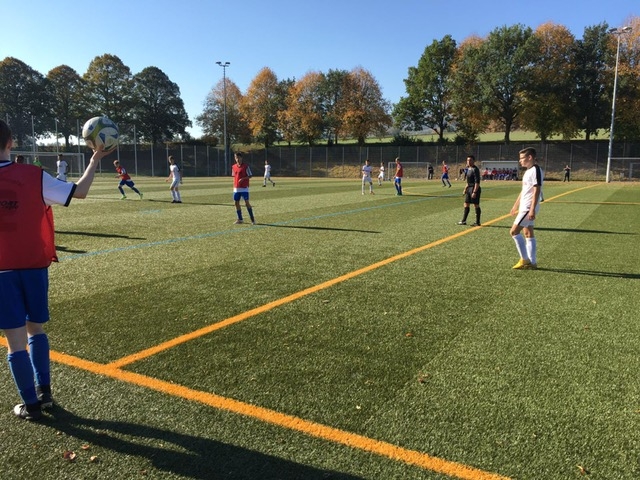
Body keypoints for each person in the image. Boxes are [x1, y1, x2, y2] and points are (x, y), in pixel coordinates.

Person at [0, 119, 113, 420]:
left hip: (1, 271)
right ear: (10, 143)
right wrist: (94, 160)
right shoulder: (34, 175)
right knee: (35, 329)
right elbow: (80, 192)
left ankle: (31, 406)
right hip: (34, 266)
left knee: (15, 342)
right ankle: (44, 393)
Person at [510, 147, 543, 270]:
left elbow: (537, 190)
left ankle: (524, 259)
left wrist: (532, 209)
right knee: (528, 233)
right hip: (525, 206)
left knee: (514, 232)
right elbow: (524, 190)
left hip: (528, 207)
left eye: (522, 158)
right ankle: (532, 262)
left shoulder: (535, 170)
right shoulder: (528, 171)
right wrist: (515, 205)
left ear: (530, 157)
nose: (520, 161)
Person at [457, 155, 482, 226]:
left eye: (470, 160)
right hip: (469, 188)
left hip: (474, 188)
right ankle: (463, 221)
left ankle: (477, 222)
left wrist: (474, 192)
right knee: (466, 203)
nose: (469, 161)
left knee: (476, 205)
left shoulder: (475, 169)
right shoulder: (468, 169)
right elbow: (468, 181)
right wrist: (465, 189)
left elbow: (477, 182)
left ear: (474, 161)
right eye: (468, 160)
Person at [232, 152, 256, 224]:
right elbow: (234, 176)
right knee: (236, 203)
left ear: (241, 158)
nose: (237, 159)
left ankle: (252, 219)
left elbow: (250, 175)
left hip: (244, 188)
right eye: (236, 157)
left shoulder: (245, 166)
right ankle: (240, 219)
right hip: (236, 188)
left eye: (238, 157)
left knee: (246, 203)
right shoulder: (233, 167)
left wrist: (243, 179)